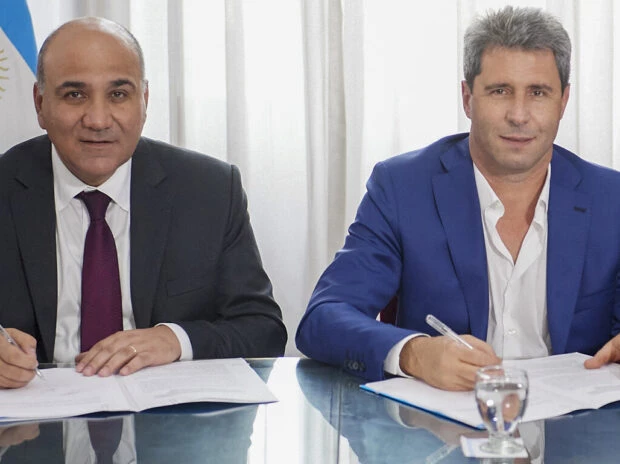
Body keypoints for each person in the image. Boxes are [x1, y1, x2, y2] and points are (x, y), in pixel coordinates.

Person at [296, 5, 620, 390]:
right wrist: (414, 353)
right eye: (500, 91)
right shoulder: (402, 187)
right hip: (441, 420)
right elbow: (324, 317)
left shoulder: (611, 199)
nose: (519, 115)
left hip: (578, 420)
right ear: (467, 98)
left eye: (538, 92)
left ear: (563, 101)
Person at [0, 17, 286, 389]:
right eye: (75, 95)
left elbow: (264, 330)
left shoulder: (210, 190)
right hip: (35, 417)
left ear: (144, 101)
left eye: (118, 94)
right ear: (40, 103)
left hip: (164, 416)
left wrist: (176, 339)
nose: (98, 120)